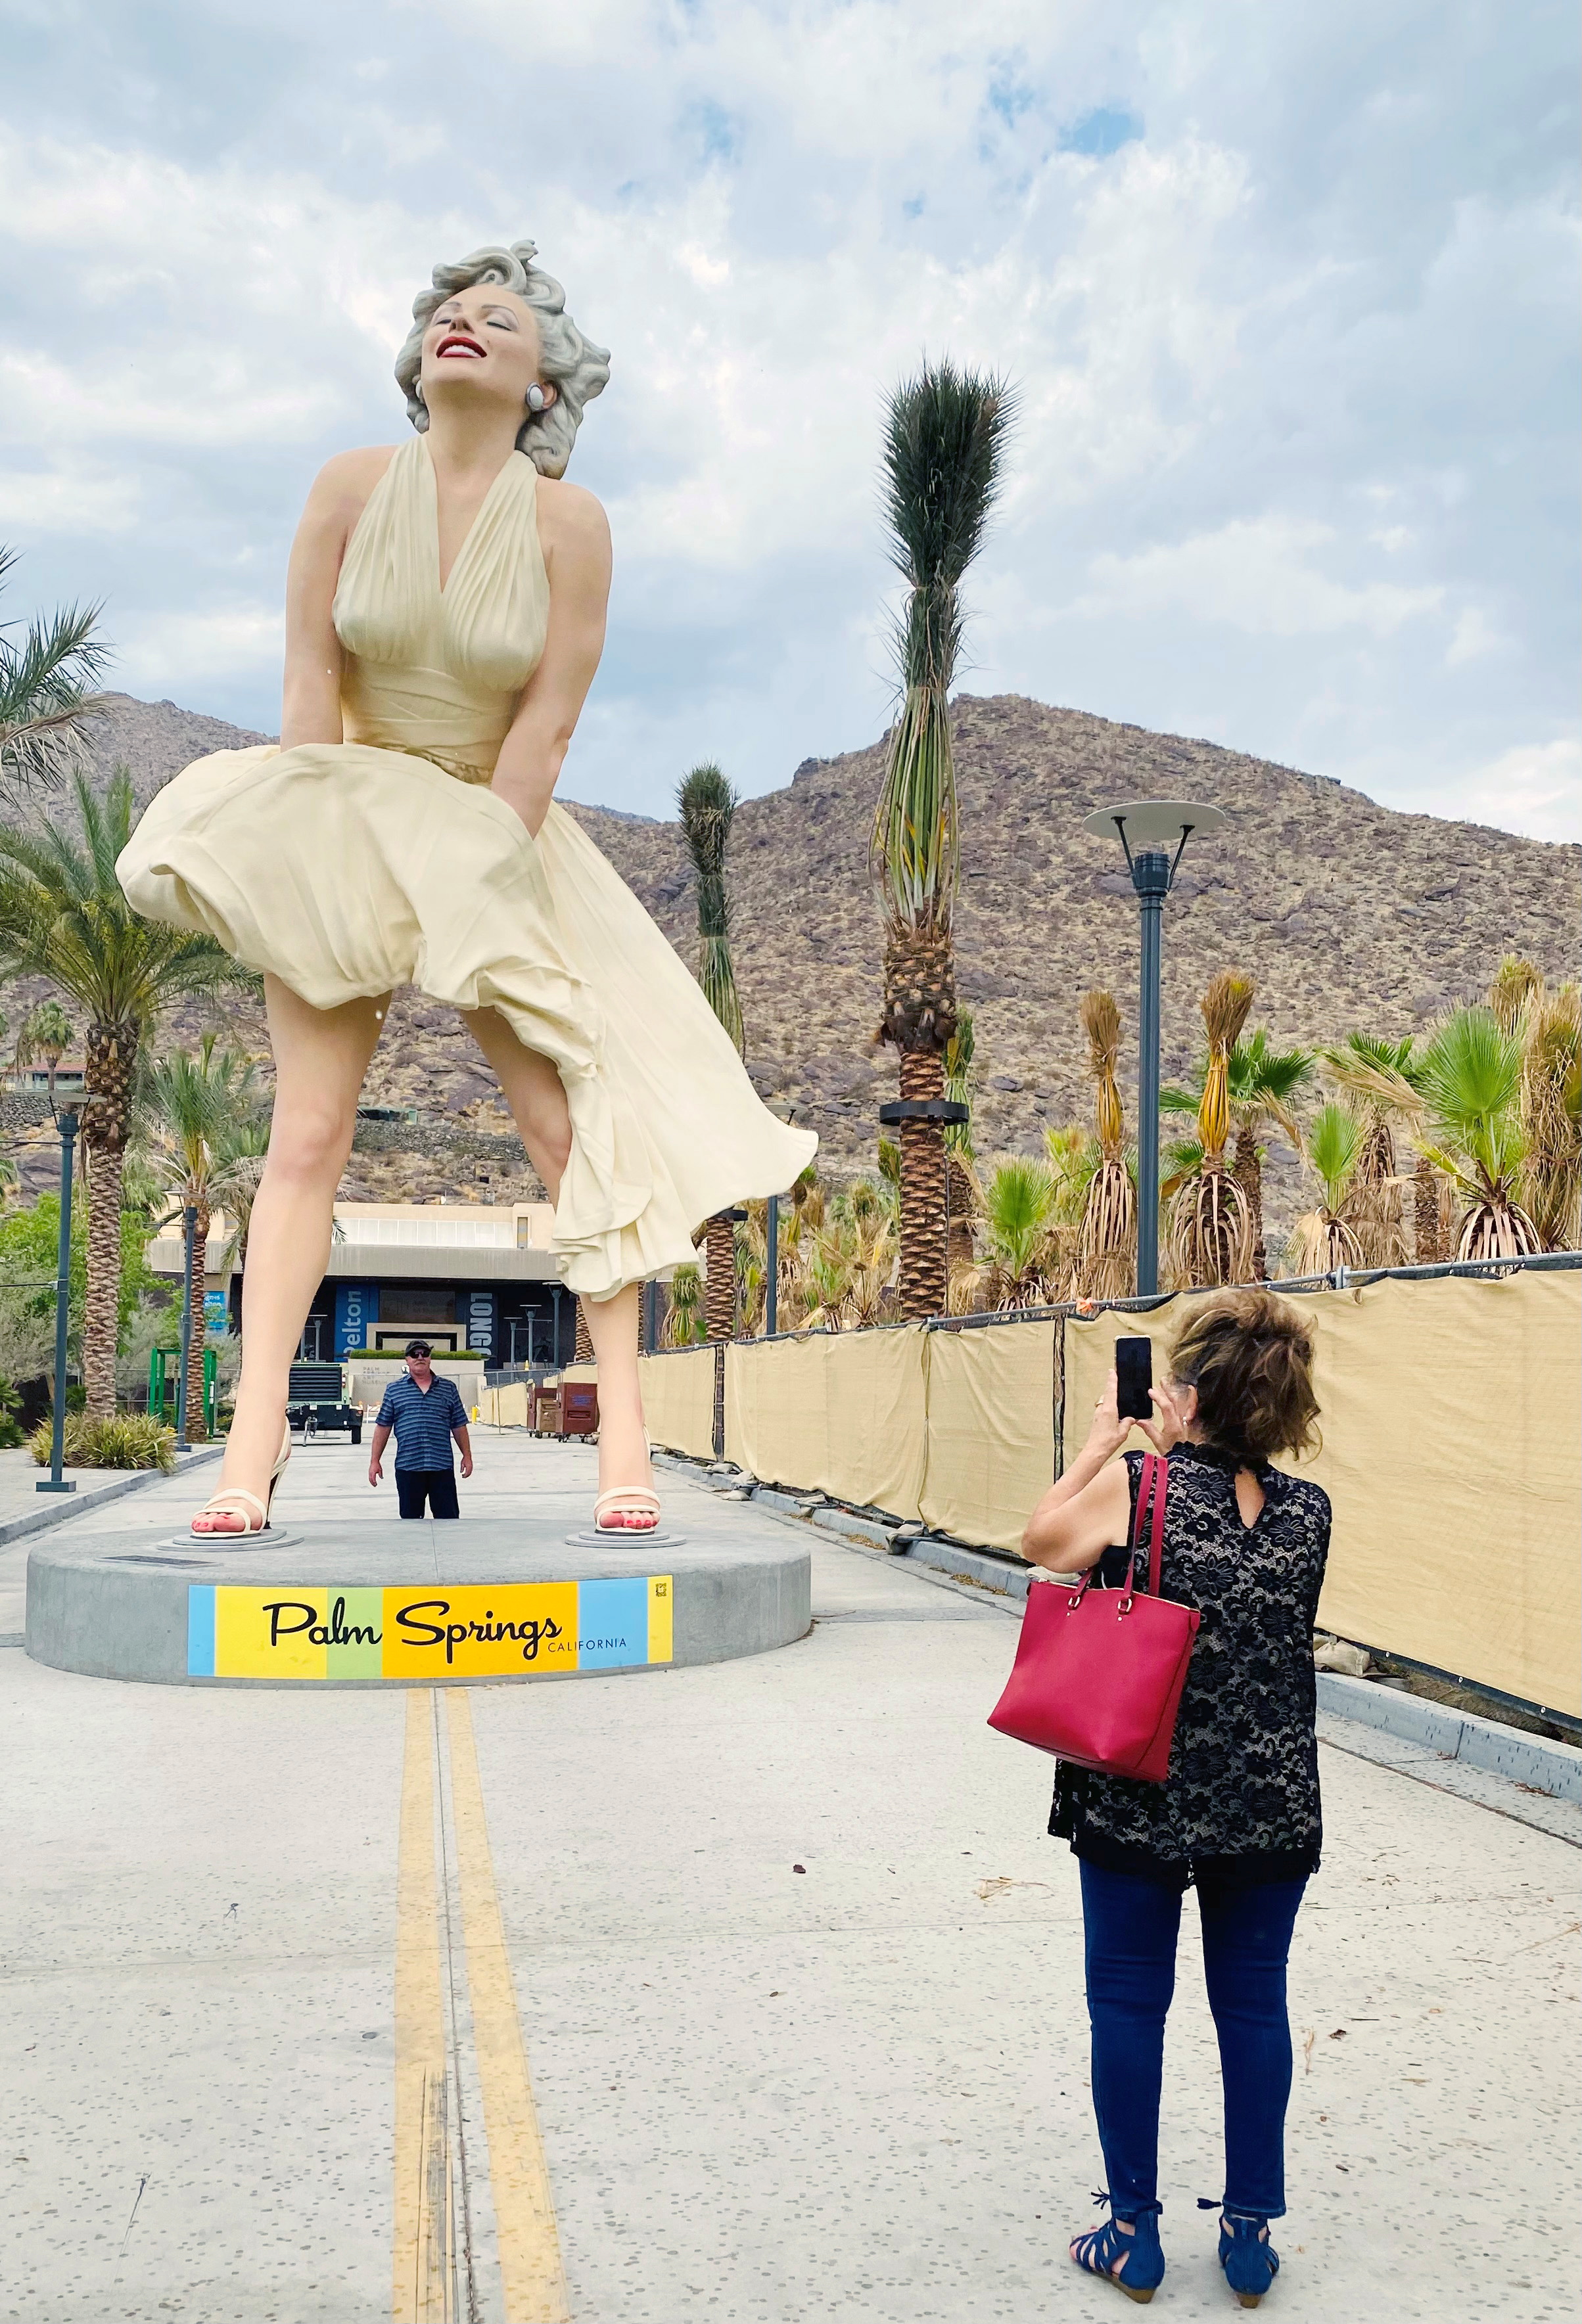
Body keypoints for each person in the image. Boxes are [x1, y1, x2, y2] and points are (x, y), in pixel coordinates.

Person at [118, 239, 816, 1541]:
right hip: (348, 805)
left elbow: (544, 731)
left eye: (498, 318)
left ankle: (625, 1435)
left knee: (566, 1137)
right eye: (448, 310)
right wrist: (319, 856)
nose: (463, 324)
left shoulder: (570, 524)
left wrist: (471, 884)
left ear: (543, 382)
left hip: (503, 831)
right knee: (307, 1138)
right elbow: (309, 699)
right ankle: (252, 1436)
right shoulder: (342, 487)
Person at [1021, 1289, 1330, 2310]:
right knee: (1252, 2005)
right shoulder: (1309, 1513)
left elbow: (1039, 1541)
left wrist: (1107, 1443)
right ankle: (1247, 2237)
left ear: (1186, 1393)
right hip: (1270, 1797)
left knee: (1126, 2002)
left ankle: (1131, 2234)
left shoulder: (1136, 1485)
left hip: (1137, 1789)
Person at [367, 1340, 473, 1518]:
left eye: (424, 1353)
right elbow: (383, 1427)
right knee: (410, 1523)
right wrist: (375, 1461)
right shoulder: (394, 1390)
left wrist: (467, 1456)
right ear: (407, 1360)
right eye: (414, 1354)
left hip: (441, 1466)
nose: (420, 1357)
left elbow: (459, 1425)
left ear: (430, 1358)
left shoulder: (448, 1388)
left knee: (449, 1522)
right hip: (408, 1467)